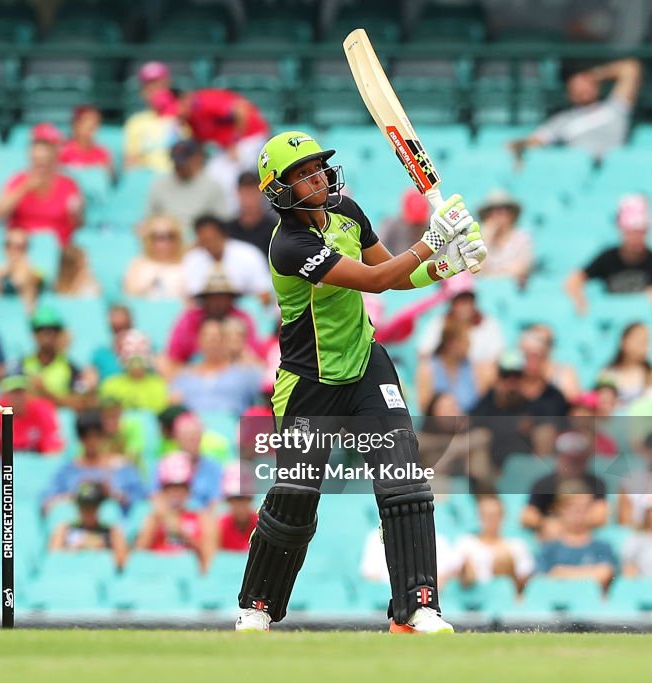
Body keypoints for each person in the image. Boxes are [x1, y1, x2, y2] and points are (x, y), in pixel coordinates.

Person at [233, 130, 488, 634]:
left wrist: (448, 265)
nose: (318, 178)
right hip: (309, 383)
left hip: (366, 366)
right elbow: (372, 281)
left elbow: (390, 272)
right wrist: (432, 241)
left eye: (319, 168)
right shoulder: (289, 246)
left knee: (405, 482)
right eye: (303, 173)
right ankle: (256, 606)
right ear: (278, 191)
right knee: (295, 498)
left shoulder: (346, 211)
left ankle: (417, 608)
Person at [508, 58, 641, 161]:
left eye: (586, 85)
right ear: (569, 94)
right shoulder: (562, 120)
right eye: (576, 87)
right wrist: (519, 144)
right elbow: (537, 140)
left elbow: (630, 68)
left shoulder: (616, 108)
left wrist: (593, 75)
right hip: (578, 171)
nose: (583, 89)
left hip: (616, 173)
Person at [170, 87, 271, 216]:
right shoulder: (189, 119)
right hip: (227, 147)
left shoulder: (202, 102)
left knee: (230, 176)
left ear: (183, 101)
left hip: (251, 136)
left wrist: (235, 141)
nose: (177, 115)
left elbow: (241, 110)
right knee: (212, 172)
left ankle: (233, 217)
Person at [0, 123, 84, 247]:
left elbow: (79, 225)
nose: (42, 155)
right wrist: (24, 188)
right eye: (37, 148)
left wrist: (76, 213)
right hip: (23, 250)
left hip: (57, 251)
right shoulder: (18, 180)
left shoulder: (69, 184)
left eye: (48, 149)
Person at [41, 409, 146, 516]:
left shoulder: (123, 467)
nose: (92, 441)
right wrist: (72, 496)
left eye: (97, 436)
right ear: (80, 439)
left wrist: (113, 494)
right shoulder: (67, 470)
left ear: (104, 437)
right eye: (86, 436)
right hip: (75, 525)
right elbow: (46, 503)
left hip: (114, 527)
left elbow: (141, 500)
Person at [566, 194, 652, 313]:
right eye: (631, 232)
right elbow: (574, 279)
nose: (636, 237)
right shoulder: (608, 257)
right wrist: (580, 299)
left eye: (640, 232)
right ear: (622, 231)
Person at [134, 452, 215, 572]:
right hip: (159, 575)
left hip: (190, 577)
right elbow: (138, 556)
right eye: (171, 488)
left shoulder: (201, 517)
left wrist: (181, 531)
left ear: (188, 490)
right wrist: (156, 522)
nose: (176, 493)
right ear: (164, 491)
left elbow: (208, 560)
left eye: (181, 488)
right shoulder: (154, 517)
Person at [520, 431, 609, 540]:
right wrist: (545, 524)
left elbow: (600, 516)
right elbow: (527, 517)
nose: (573, 465)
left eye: (578, 460)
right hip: (551, 539)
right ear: (558, 459)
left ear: (586, 460)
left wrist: (565, 525)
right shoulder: (543, 484)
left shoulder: (596, 483)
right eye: (569, 460)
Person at [170, 319, 262, 416]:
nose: (212, 343)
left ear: (225, 341)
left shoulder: (244, 373)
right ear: (199, 341)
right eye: (207, 337)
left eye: (216, 338)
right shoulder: (184, 377)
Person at [535, 491, 618, 592]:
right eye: (573, 508)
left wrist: (562, 573)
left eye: (584, 508)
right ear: (561, 510)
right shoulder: (548, 549)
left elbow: (605, 574)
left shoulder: (603, 547)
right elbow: (542, 581)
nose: (579, 513)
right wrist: (591, 573)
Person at [183, 214, 273, 304]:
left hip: (244, 312)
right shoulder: (192, 259)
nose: (210, 244)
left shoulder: (249, 254)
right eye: (205, 240)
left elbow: (265, 294)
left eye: (213, 239)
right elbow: (193, 297)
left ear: (223, 234)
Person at [455, 494, 535, 593]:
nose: (491, 520)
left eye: (494, 515)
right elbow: (450, 575)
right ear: (479, 516)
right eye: (486, 515)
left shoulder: (517, 546)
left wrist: (509, 571)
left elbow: (525, 583)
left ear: (503, 516)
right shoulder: (465, 543)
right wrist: (464, 572)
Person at [146, 139, 228, 235]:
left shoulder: (212, 186)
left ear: (197, 158)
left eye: (183, 162)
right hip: (169, 239)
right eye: (175, 161)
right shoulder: (159, 184)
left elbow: (222, 222)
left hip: (202, 241)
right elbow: (149, 220)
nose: (179, 166)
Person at [48, 481, 129, 570]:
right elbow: (54, 560)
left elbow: (123, 562)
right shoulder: (65, 529)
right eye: (84, 507)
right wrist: (75, 550)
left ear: (98, 507)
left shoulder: (111, 531)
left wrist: (101, 552)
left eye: (92, 507)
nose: (88, 512)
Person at [414, 321, 490, 413]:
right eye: (465, 341)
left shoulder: (475, 370)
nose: (469, 345)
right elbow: (423, 406)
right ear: (451, 344)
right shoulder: (428, 369)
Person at [123, 61, 178, 172]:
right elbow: (131, 162)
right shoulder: (136, 122)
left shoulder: (181, 117)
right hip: (147, 181)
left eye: (159, 85)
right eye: (149, 86)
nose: (155, 91)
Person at [98, 330, 170, 413]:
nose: (136, 364)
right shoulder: (109, 385)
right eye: (130, 354)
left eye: (140, 353)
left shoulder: (160, 385)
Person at [0, 228, 45, 310]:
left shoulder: (34, 272)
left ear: (27, 250)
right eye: (9, 245)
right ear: (3, 248)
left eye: (20, 247)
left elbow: (22, 281)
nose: (14, 250)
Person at [122, 214, 188, 299]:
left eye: (171, 236)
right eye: (159, 237)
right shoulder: (137, 265)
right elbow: (130, 296)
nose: (165, 242)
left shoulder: (188, 263)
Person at [475, 189, 533, 285]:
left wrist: (491, 273)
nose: (500, 214)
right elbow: (476, 272)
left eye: (505, 210)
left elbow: (521, 270)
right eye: (494, 210)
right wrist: (486, 239)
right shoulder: (480, 238)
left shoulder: (522, 238)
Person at [224, 171, 276, 258]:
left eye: (252, 192)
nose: (248, 198)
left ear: (261, 193)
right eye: (245, 192)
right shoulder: (227, 230)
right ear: (237, 192)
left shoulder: (273, 229)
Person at [599, 322, 651, 408]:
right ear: (623, 341)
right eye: (638, 341)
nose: (643, 346)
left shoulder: (649, 375)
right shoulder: (608, 374)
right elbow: (604, 407)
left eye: (646, 342)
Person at [59, 105, 114, 177]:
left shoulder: (103, 153)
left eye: (96, 123)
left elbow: (109, 181)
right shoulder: (61, 151)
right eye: (86, 122)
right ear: (75, 124)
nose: (91, 125)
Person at [377, 189, 431, 257]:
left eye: (419, 225)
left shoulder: (435, 230)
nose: (416, 229)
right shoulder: (390, 228)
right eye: (414, 225)